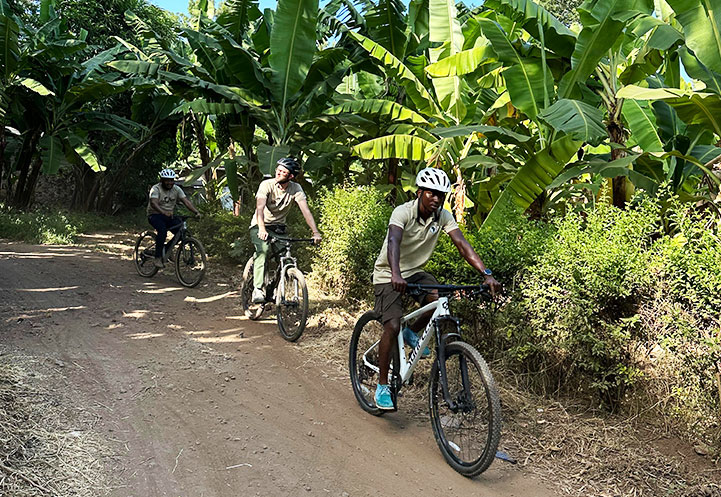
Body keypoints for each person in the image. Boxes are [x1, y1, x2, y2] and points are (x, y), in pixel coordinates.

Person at [372, 167, 502, 410]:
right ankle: (381, 386)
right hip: (388, 273)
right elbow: (394, 242)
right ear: (420, 192)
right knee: (391, 324)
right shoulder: (403, 212)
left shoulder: (443, 216)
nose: (436, 199)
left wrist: (486, 274)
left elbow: (462, 244)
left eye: (441, 195)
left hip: (415, 273)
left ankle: (412, 331)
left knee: (440, 300)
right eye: (431, 193)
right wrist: (396, 274)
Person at [250, 157, 322, 303]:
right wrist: (262, 229)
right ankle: (257, 289)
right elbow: (260, 208)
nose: (278, 172)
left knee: (285, 258)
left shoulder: (296, 189)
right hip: (260, 224)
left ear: (290, 176)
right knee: (263, 251)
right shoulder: (266, 185)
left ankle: (277, 289)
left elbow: (306, 211)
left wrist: (315, 232)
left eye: (283, 172)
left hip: (279, 228)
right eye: (278, 170)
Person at [146, 168, 200, 268]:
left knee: (181, 232)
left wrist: (196, 212)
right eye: (167, 180)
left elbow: (186, 202)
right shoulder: (156, 189)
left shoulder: (176, 189)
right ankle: (157, 258)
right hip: (154, 215)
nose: (169, 182)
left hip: (168, 215)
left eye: (171, 180)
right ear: (162, 180)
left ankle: (167, 249)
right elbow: (153, 203)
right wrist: (163, 212)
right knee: (162, 231)